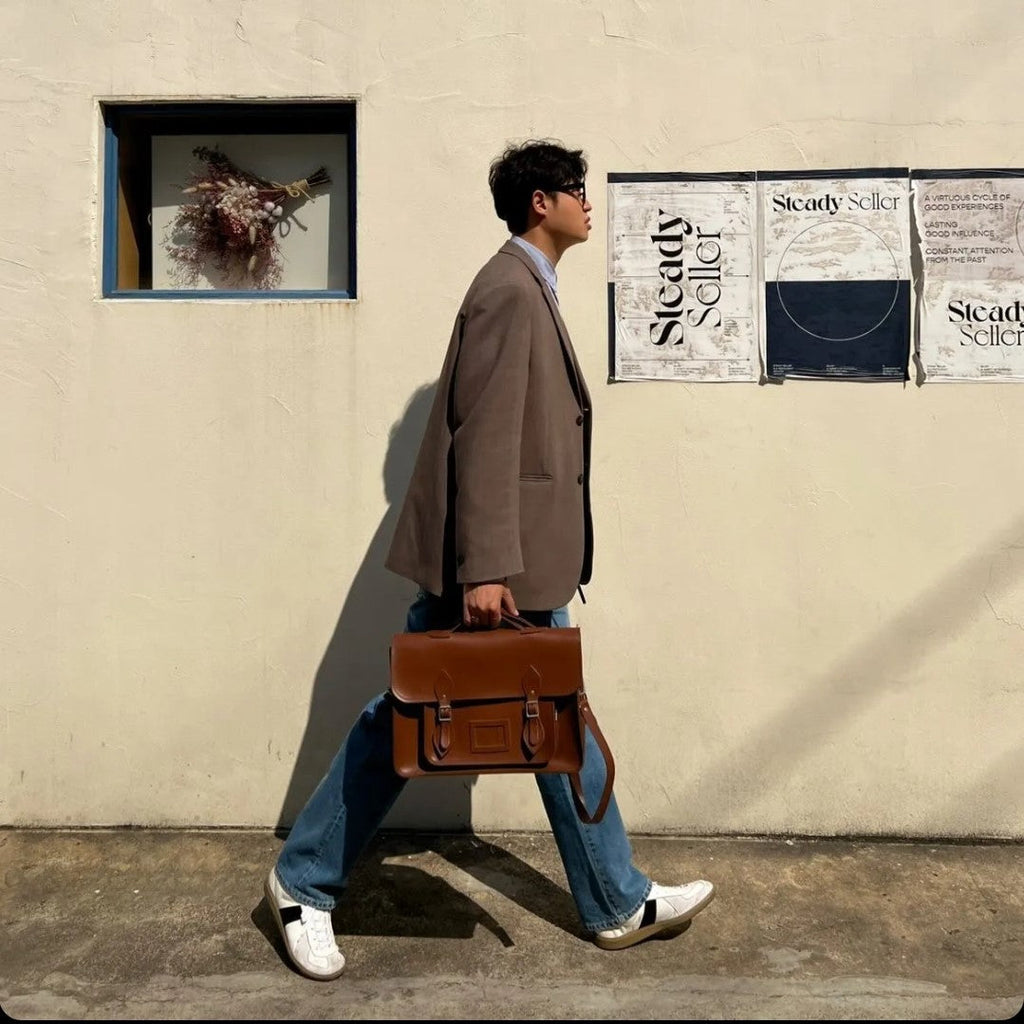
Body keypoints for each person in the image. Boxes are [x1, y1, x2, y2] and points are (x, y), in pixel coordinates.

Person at [264, 140, 715, 981]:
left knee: (553, 720)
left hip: (513, 561)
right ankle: (302, 884)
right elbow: (487, 438)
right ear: (539, 203)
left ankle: (616, 897)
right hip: (493, 568)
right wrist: (486, 569)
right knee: (408, 719)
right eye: (577, 189)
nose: (590, 202)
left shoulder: (527, 287)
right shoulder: (510, 290)